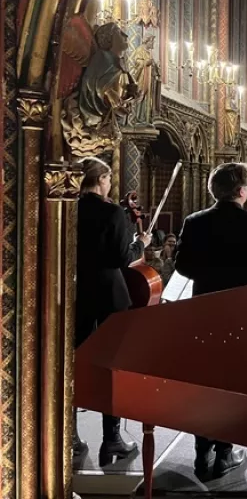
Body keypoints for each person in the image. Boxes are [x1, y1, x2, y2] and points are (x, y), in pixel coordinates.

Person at [175, 162, 247, 479]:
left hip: (204, 312)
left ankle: (201, 453)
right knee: (232, 385)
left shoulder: (194, 221)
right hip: (240, 315)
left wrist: (210, 275)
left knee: (205, 382)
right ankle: (224, 453)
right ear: (242, 191)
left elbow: (182, 265)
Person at [74, 157, 152, 465]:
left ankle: (71, 438)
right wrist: (140, 243)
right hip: (110, 295)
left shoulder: (67, 207)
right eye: (107, 179)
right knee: (112, 368)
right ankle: (112, 440)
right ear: (101, 179)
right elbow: (122, 258)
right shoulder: (112, 212)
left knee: (73, 365)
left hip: (77, 293)